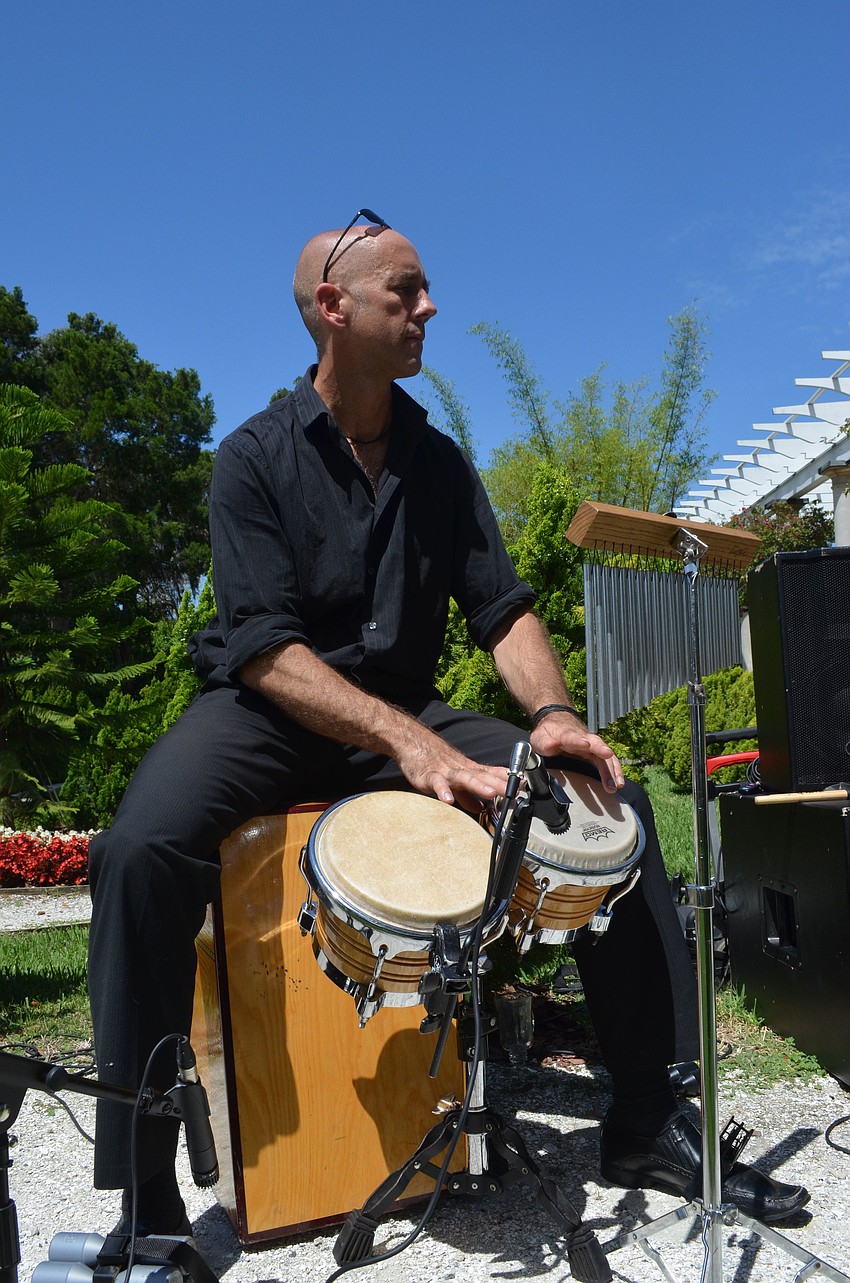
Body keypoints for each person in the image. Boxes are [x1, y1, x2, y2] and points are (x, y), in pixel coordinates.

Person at [87, 214, 808, 1238]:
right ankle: (145, 1181)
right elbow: (262, 646)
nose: (430, 308)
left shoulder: (440, 462)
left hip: (407, 708)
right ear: (335, 309)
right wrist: (407, 744)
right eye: (407, 291)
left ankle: (645, 1113)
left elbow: (501, 607)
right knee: (138, 849)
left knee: (612, 806)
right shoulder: (250, 458)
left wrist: (553, 714)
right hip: (270, 707)